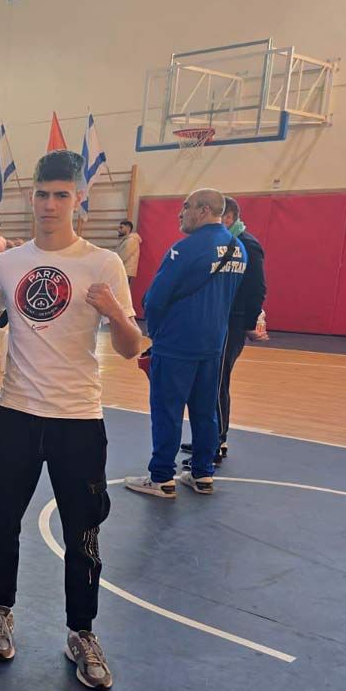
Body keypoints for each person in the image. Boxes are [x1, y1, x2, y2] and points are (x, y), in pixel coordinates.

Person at [0, 150, 142, 690]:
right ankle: (1, 612)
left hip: (78, 418)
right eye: (42, 194)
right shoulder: (7, 264)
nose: (50, 205)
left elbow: (131, 348)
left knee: (83, 532)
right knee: (3, 522)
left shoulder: (104, 264)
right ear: (31, 197)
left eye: (61, 195)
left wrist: (116, 313)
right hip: (16, 413)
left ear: (79, 199)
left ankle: (82, 631)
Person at [126, 189, 244, 499]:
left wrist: (156, 332)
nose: (180, 213)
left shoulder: (185, 248)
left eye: (186, 206)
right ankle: (203, 473)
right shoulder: (238, 249)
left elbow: (155, 298)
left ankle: (161, 477)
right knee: (205, 411)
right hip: (213, 342)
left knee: (167, 410)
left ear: (204, 211)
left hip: (177, 343)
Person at [181, 196, 266, 469]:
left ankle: (214, 443)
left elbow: (257, 288)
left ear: (228, 218)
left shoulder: (246, 246)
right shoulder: (223, 245)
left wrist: (250, 323)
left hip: (231, 322)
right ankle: (210, 439)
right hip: (216, 320)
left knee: (215, 383)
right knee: (209, 382)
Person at [114, 219, 141, 291]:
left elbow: (123, 256)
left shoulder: (131, 240)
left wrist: (112, 263)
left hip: (126, 271)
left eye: (121, 227)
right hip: (124, 270)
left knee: (121, 291)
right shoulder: (127, 240)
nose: (119, 230)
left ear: (128, 228)